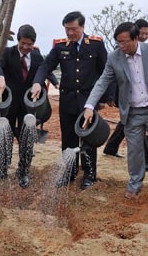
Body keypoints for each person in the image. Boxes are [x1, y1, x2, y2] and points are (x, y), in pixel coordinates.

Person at [81, 22, 148, 199]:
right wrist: (89, 106)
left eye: (125, 42)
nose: (121, 46)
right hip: (132, 112)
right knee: (134, 150)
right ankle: (135, 183)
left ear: (136, 38)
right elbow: (102, 82)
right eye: (118, 42)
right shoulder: (114, 57)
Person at [31, 11, 111, 190]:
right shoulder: (60, 47)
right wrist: (37, 82)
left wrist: (105, 98)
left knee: (88, 139)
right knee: (68, 139)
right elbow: (46, 65)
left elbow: (106, 71)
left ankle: (89, 174)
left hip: (88, 101)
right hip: (67, 101)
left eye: (74, 29)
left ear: (82, 27)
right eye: (67, 29)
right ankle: (70, 172)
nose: (70, 33)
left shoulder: (96, 45)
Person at [0, 24, 46, 188]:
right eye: (23, 43)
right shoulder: (8, 53)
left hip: (28, 106)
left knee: (27, 139)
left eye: (29, 44)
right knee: (5, 136)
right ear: (18, 41)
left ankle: (23, 172)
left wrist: (55, 81)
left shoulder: (37, 57)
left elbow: (44, 71)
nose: (25, 47)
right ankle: (2, 169)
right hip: (8, 105)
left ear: (33, 43)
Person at [103, 19, 148, 173]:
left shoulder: (147, 51)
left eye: (146, 33)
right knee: (138, 125)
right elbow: (110, 77)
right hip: (126, 95)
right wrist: (110, 96)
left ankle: (111, 147)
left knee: (126, 123)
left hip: (142, 99)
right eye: (142, 33)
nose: (144, 36)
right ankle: (146, 161)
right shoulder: (120, 52)